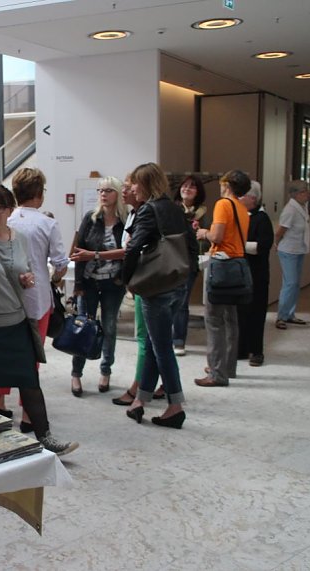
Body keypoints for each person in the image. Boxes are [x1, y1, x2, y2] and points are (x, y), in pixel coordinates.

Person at [0, 183, 78, 455]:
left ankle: (45, 438)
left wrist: (25, 279)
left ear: (10, 210)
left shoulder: (20, 239)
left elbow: (25, 270)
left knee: (30, 382)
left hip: (14, 325)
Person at [122, 163, 197, 427]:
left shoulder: (148, 211)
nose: (131, 188)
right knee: (156, 344)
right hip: (177, 283)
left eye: (135, 184)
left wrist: (127, 280)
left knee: (162, 347)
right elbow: (192, 247)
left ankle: (175, 406)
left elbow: (132, 249)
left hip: (156, 288)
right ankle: (139, 401)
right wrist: (187, 281)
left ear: (145, 185)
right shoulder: (176, 209)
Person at [0, 168, 68, 426]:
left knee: (4, 349)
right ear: (39, 193)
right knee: (32, 355)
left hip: (5, 296)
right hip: (36, 298)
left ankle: (0, 402)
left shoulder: (6, 220)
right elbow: (60, 263)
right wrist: (56, 277)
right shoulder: (47, 223)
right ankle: (27, 412)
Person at [69, 176, 128, 397]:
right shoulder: (90, 219)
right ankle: (76, 373)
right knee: (84, 327)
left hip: (114, 283)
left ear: (117, 194)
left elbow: (129, 253)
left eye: (108, 190)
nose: (103, 194)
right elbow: (78, 252)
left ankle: (106, 370)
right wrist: (77, 285)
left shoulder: (125, 221)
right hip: (89, 282)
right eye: (100, 190)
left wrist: (122, 278)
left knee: (110, 327)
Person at [194, 169, 251, 388]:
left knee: (214, 320)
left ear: (226, 184)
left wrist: (203, 233)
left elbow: (217, 236)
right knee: (230, 318)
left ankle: (217, 372)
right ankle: (228, 367)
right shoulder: (242, 208)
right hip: (237, 264)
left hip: (221, 265)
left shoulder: (223, 204)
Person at [111, 174, 153, 406]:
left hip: (144, 281)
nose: (126, 191)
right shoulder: (135, 215)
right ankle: (162, 385)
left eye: (129, 186)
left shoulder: (145, 214)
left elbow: (131, 249)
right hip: (141, 279)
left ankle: (139, 387)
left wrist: (95, 255)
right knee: (150, 338)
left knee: (144, 338)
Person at [236, 182, 274, 367]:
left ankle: (257, 352)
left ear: (252, 198)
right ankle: (241, 348)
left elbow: (262, 246)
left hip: (257, 274)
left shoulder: (262, 218)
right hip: (240, 273)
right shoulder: (239, 215)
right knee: (240, 312)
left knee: (257, 313)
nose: (239, 198)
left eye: (242, 195)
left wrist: (236, 244)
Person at [171, 175, 208, 356]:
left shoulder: (204, 213)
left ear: (198, 192)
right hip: (170, 261)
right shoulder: (171, 209)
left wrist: (200, 232)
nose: (187, 189)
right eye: (184, 186)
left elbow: (208, 238)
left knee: (182, 301)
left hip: (190, 261)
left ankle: (179, 340)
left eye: (192, 187)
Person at [275, 180, 310, 329]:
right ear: (296, 194)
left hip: (299, 249)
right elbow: (281, 230)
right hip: (288, 250)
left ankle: (290, 314)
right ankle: (281, 316)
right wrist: (276, 243)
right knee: (290, 283)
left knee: (295, 284)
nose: (308, 194)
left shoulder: (302, 207)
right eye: (305, 192)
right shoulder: (290, 209)